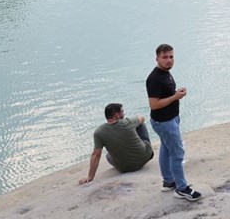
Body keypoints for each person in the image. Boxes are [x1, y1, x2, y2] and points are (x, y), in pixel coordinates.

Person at [146, 43, 201, 201]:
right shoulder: (155, 78)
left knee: (166, 148)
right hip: (164, 122)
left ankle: (168, 182)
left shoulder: (165, 73)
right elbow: (154, 104)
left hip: (169, 120)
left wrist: (177, 93)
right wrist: (175, 97)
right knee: (177, 154)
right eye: (165, 57)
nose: (169, 60)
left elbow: (166, 95)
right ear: (157, 58)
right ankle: (181, 188)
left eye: (171, 57)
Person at [79, 103, 155, 185]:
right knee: (141, 125)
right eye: (122, 111)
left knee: (108, 156)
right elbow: (142, 118)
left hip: (124, 168)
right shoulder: (128, 122)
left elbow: (96, 154)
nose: (124, 113)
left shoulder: (99, 132)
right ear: (116, 115)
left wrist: (90, 176)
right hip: (145, 158)